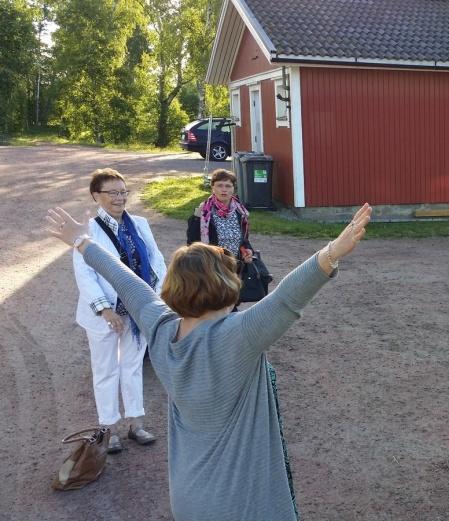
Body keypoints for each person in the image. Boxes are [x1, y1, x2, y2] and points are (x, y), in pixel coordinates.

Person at [46, 202, 372, 521]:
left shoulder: (160, 329)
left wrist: (81, 240)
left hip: (188, 498)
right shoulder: (238, 336)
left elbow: (126, 281)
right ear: (225, 283)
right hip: (241, 504)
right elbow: (288, 296)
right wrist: (332, 252)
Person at [72, 168, 167, 453]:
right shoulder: (86, 231)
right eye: (112, 193)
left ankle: (136, 423)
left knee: (133, 366)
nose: (119, 198)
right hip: (106, 314)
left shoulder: (139, 223)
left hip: (137, 311)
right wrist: (104, 311)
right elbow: (84, 274)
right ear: (96, 196)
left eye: (123, 192)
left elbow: (156, 263)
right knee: (105, 370)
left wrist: (153, 300)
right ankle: (109, 428)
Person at [187, 168, 253, 262]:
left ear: (233, 189)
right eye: (219, 185)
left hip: (235, 266)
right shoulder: (203, 211)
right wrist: (197, 216)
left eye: (228, 186)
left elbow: (244, 240)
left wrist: (248, 249)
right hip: (210, 266)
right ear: (213, 188)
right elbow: (192, 241)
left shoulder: (240, 212)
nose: (224, 189)